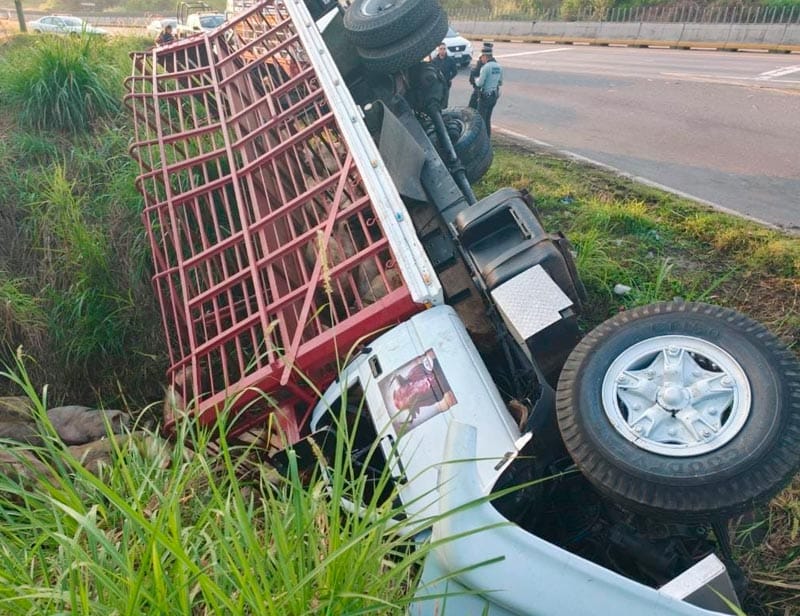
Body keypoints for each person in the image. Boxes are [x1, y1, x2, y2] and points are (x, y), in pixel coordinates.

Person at [475, 42, 503, 137]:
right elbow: (500, 82)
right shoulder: (499, 67)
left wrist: (476, 79)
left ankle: (482, 138)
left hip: (485, 96)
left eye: (482, 57)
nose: (481, 59)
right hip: (494, 96)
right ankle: (488, 136)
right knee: (488, 118)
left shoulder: (485, 67)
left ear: (485, 56)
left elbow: (480, 83)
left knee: (481, 119)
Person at [430, 42, 457, 108]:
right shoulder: (434, 61)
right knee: (437, 101)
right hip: (437, 85)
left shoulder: (450, 60)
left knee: (444, 102)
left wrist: (449, 78)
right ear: (438, 50)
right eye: (441, 49)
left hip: (446, 84)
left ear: (446, 50)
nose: (442, 50)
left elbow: (455, 72)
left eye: (444, 49)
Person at [467, 42, 490, 109]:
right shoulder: (490, 62)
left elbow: (475, 75)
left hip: (480, 90)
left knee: (473, 108)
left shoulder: (482, 63)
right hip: (484, 90)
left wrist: (474, 81)